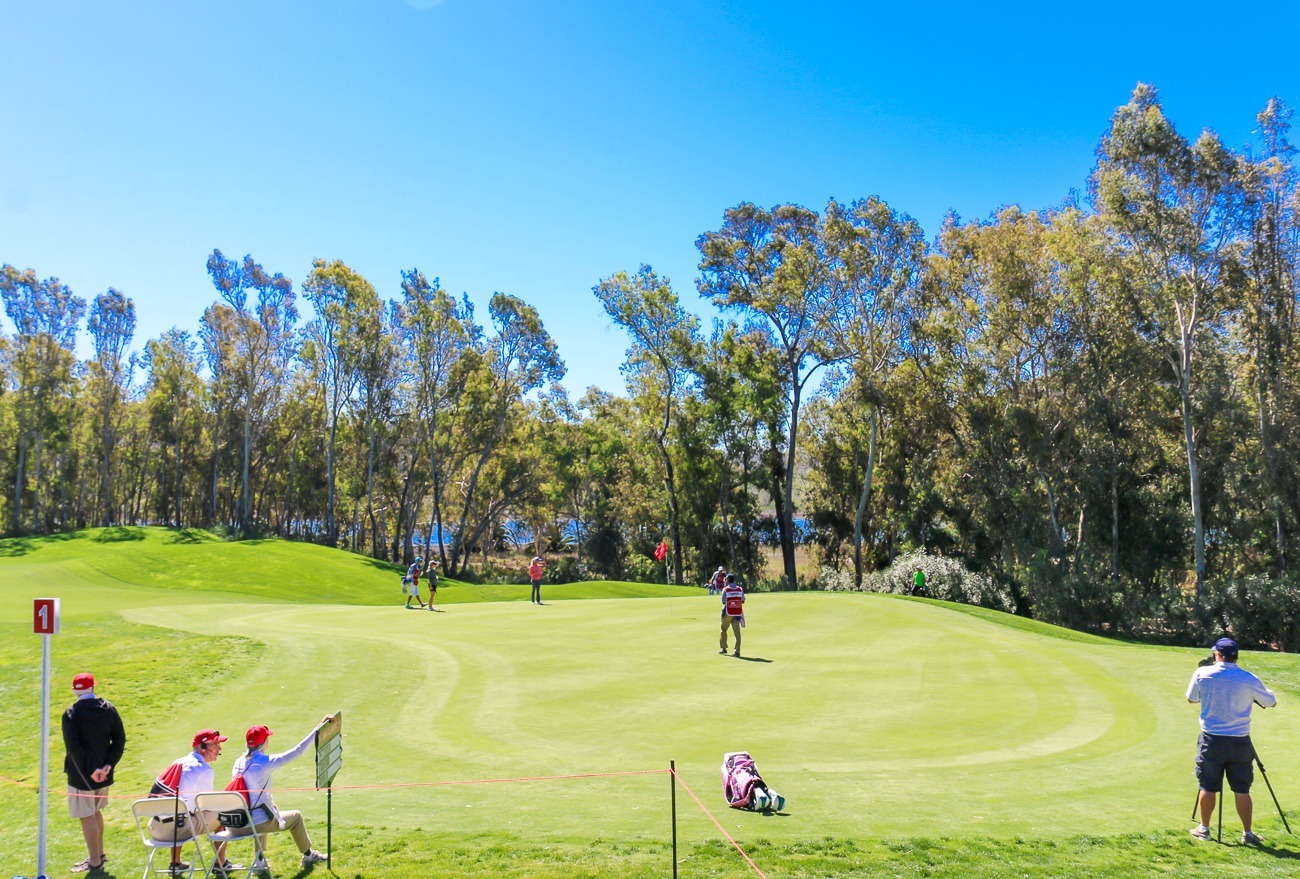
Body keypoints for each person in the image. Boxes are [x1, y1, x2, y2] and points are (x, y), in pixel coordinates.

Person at [1186, 636, 1278, 845]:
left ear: (1217, 655)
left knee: (1208, 786)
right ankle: (1248, 834)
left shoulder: (1203, 673)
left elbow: (1192, 698)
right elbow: (1270, 701)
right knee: (1242, 788)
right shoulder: (1248, 678)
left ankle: (1204, 829)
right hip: (1240, 742)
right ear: (1236, 657)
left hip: (1211, 740)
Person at [230, 721, 331, 870]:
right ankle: (309, 855)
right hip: (253, 824)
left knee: (266, 813)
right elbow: (298, 751)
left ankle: (260, 861)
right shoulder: (265, 762)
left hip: (235, 825)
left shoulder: (238, 761)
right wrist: (317, 729)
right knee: (296, 816)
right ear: (265, 742)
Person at [148, 729, 242, 875]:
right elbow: (207, 805)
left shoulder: (178, 762)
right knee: (223, 815)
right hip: (177, 831)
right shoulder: (203, 769)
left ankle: (175, 863)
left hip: (154, 829)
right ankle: (220, 864)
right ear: (202, 746)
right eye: (216, 745)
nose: (219, 749)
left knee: (181, 813)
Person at [61, 672, 125, 874]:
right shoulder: (108, 708)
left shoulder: (71, 713)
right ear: (93, 687)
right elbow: (119, 740)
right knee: (94, 812)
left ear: (74, 690)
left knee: (87, 816)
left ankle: (95, 861)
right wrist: (107, 765)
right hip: (104, 774)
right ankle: (98, 854)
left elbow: (74, 748)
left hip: (82, 775)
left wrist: (92, 770)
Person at [719, 574, 745, 657]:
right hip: (737, 612)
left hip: (728, 612)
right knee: (737, 633)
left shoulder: (725, 589)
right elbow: (743, 600)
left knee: (723, 629)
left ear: (727, 580)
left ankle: (723, 648)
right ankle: (737, 651)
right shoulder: (739, 589)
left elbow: (723, 601)